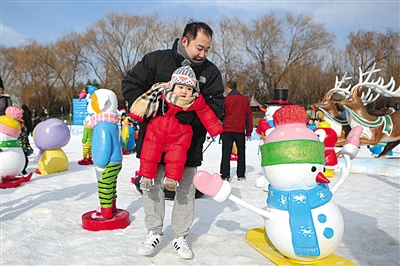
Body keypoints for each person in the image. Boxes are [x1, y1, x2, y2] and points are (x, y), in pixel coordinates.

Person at [122, 20, 224, 260]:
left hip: (187, 144)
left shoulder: (210, 72)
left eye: (207, 49)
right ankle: (154, 232)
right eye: (200, 48)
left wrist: (191, 120)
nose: (203, 54)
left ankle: (180, 236)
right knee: (151, 185)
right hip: (154, 141)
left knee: (186, 190)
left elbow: (217, 105)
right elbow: (131, 84)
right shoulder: (157, 61)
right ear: (185, 41)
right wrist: (154, 111)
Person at [129, 61, 223, 192]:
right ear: (173, 87)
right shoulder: (162, 95)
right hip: (156, 130)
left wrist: (215, 128)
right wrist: (137, 115)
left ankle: (172, 179)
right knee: (149, 152)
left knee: (177, 157)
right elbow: (147, 102)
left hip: (180, 134)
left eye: (189, 89)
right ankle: (145, 176)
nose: (184, 92)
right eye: (181, 87)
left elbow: (206, 113)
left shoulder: (196, 102)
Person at [219, 80, 253, 181]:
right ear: (236, 88)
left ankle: (225, 175)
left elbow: (221, 113)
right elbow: (248, 116)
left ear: (228, 89)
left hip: (227, 130)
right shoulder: (244, 100)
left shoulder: (226, 100)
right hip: (240, 130)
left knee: (226, 153)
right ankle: (241, 174)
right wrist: (249, 131)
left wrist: (221, 120)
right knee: (241, 152)